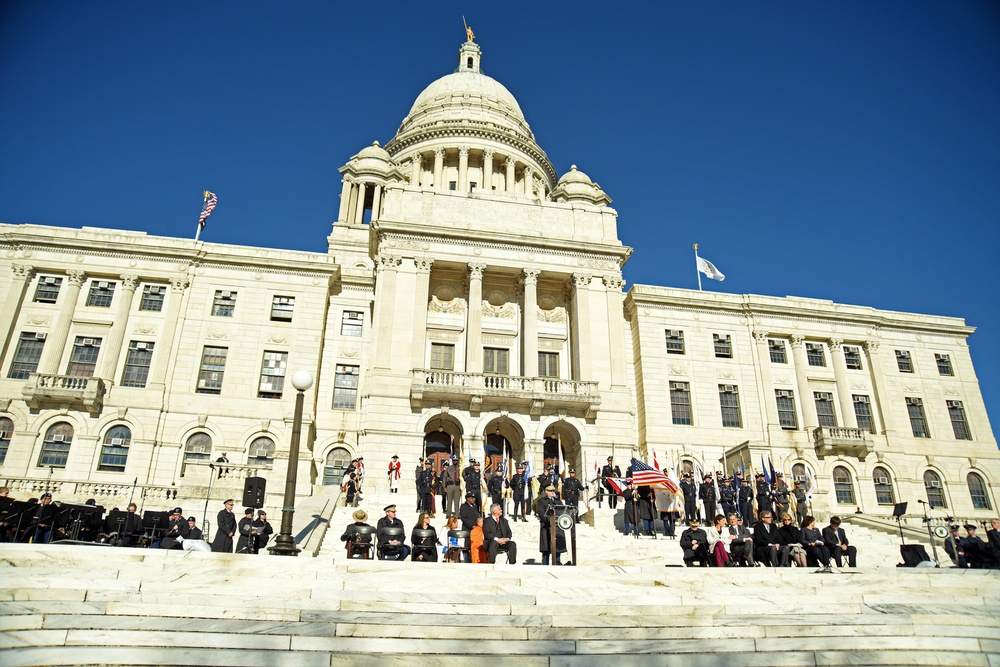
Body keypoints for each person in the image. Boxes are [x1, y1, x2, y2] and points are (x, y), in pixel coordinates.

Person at [537, 485, 566, 565]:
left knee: (557, 548)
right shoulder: (542, 501)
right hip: (547, 527)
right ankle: (545, 565)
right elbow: (541, 513)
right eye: (550, 491)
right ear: (546, 492)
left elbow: (563, 511)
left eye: (553, 491)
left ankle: (557, 562)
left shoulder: (558, 501)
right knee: (547, 549)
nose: (552, 492)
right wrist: (550, 521)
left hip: (557, 527)